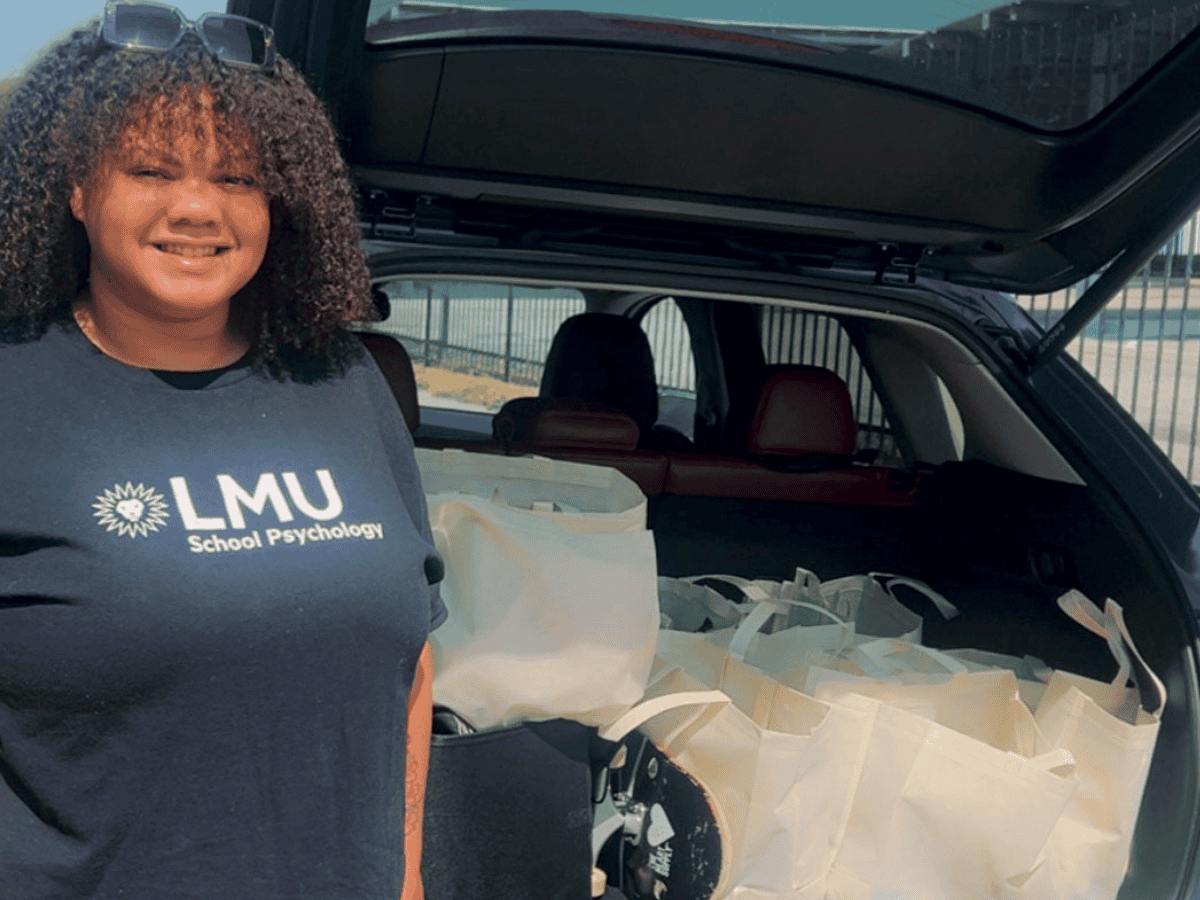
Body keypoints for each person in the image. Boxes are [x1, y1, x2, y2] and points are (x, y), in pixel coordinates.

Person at [0, 4, 446, 899]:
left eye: (238, 177)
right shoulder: (16, 390)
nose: (198, 207)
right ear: (78, 189)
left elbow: (409, 658)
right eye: (150, 169)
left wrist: (405, 880)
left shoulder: (342, 379)